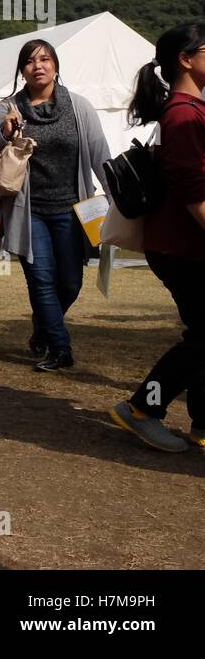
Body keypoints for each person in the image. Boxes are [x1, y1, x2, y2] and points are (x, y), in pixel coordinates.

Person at [0, 39, 111, 372]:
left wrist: (117, 200)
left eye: (45, 59)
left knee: (70, 283)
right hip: (28, 212)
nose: (38, 65)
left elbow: (100, 157)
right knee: (41, 279)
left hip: (72, 210)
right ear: (22, 70)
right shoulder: (8, 108)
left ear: (55, 65)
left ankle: (43, 329)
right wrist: (5, 135)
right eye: (30, 61)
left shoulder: (79, 107)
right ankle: (59, 347)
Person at [109, 22, 205, 452]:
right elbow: (194, 191)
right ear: (187, 59)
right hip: (183, 246)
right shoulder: (183, 113)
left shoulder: (189, 108)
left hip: (182, 245)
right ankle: (144, 408)